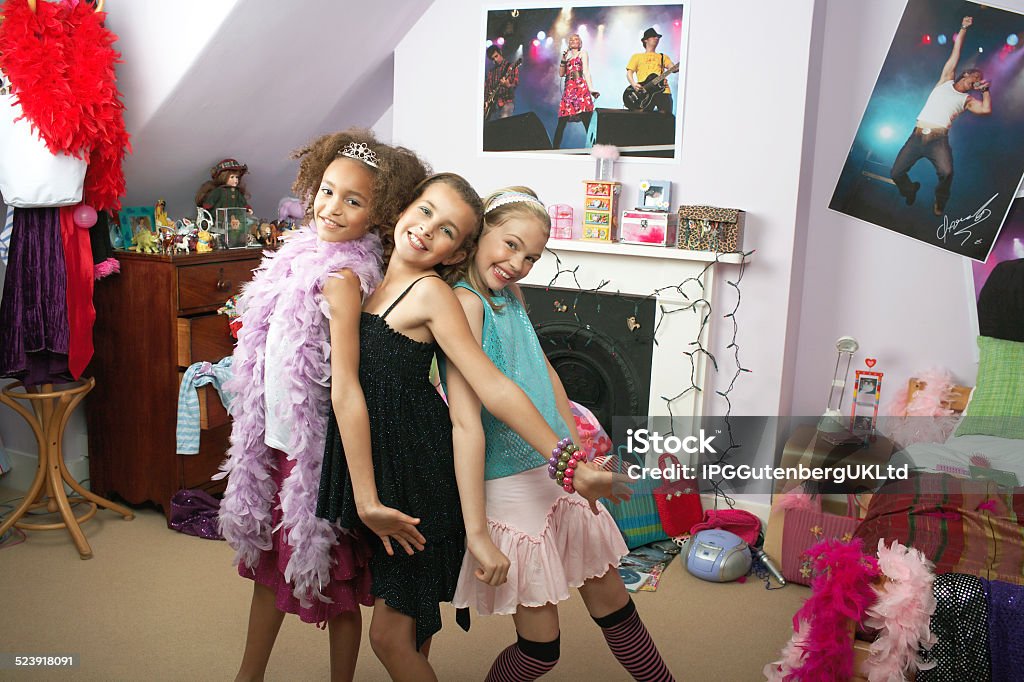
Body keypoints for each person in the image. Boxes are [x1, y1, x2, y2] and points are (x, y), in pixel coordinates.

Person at [316, 173, 623, 680]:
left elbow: (491, 392)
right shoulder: (366, 279)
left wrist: (570, 463)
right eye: (426, 211)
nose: (427, 230)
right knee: (409, 630)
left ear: (457, 252)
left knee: (390, 637)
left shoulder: (435, 294)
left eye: (448, 232)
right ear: (403, 207)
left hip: (419, 480)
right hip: (381, 470)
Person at [215, 128, 429, 682]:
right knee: (268, 570)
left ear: (376, 215)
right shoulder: (295, 255)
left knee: (330, 580)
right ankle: (248, 674)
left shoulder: (345, 278)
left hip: (319, 455)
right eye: (328, 191)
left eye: (353, 201)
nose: (333, 207)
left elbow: (347, 381)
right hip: (277, 438)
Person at [444, 187, 674, 682]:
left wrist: (581, 457)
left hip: (555, 464)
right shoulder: (463, 305)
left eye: (530, 257)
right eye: (509, 245)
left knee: (616, 608)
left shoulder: (512, 296)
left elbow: (547, 376)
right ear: (480, 232)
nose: (517, 263)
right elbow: (485, 403)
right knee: (540, 650)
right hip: (508, 481)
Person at [890, 16, 992, 216]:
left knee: (947, 173)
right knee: (896, 173)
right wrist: (963, 27)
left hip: (938, 140)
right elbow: (956, 51)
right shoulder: (946, 79)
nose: (978, 81)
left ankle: (940, 200)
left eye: (980, 81)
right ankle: (910, 190)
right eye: (976, 78)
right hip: (917, 136)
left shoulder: (968, 100)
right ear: (966, 75)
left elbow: (986, 110)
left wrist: (986, 91)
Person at [552, 34, 599, 149]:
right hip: (569, 90)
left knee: (586, 118)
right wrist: (563, 58)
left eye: (576, 39)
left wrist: (591, 89)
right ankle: (554, 148)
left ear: (580, 43)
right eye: (571, 39)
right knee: (562, 120)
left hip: (580, 87)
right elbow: (561, 74)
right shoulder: (567, 58)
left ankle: (595, 147)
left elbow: (586, 72)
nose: (573, 41)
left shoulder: (583, 53)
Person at [626, 28, 676, 114]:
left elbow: (673, 68)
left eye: (658, 37)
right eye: (653, 36)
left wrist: (678, 66)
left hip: (662, 91)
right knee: (644, 120)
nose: (657, 38)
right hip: (645, 93)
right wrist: (634, 84)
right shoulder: (636, 56)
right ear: (646, 40)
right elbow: (629, 73)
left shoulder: (663, 57)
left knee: (666, 120)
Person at [484, 46, 520, 121]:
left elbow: (515, 84)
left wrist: (507, 85)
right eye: (493, 59)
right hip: (493, 107)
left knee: (503, 124)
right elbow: (487, 88)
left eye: (496, 56)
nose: (495, 60)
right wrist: (486, 102)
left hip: (506, 102)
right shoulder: (491, 72)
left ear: (500, 53)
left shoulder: (510, 66)